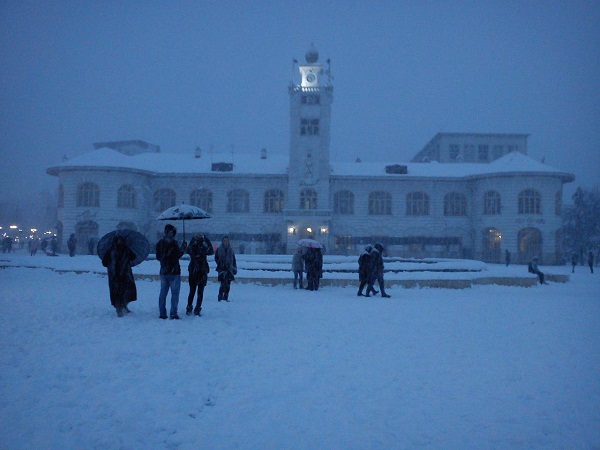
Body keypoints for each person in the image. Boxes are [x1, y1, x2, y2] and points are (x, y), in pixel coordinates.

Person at [156, 224, 187, 319]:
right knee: (175, 294)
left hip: (164, 271)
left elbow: (158, 257)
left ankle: (162, 313)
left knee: (163, 293)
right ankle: (173, 313)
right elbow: (177, 256)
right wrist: (183, 248)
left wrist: (164, 261)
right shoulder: (174, 244)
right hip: (174, 272)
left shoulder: (160, 243)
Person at [102, 235, 137, 317]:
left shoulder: (126, 249)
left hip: (125, 274)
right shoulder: (111, 250)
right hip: (115, 275)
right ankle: (118, 308)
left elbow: (133, 256)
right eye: (118, 240)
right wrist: (111, 263)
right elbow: (104, 262)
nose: (120, 242)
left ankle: (124, 305)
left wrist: (128, 250)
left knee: (126, 290)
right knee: (117, 292)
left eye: (121, 240)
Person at [186, 234, 213, 316]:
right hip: (198, 270)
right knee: (196, 291)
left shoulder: (198, 246)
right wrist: (206, 240)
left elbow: (211, 251)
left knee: (195, 291)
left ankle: (193, 307)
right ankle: (193, 307)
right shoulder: (199, 246)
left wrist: (206, 240)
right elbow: (210, 250)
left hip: (198, 270)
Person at [215, 236, 237, 302]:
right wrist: (220, 264)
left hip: (229, 269)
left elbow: (234, 260)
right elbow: (216, 258)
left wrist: (234, 268)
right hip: (222, 269)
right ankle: (220, 296)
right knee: (222, 283)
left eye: (226, 240)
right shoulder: (219, 249)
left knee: (228, 284)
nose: (225, 242)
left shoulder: (231, 250)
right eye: (224, 240)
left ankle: (226, 297)